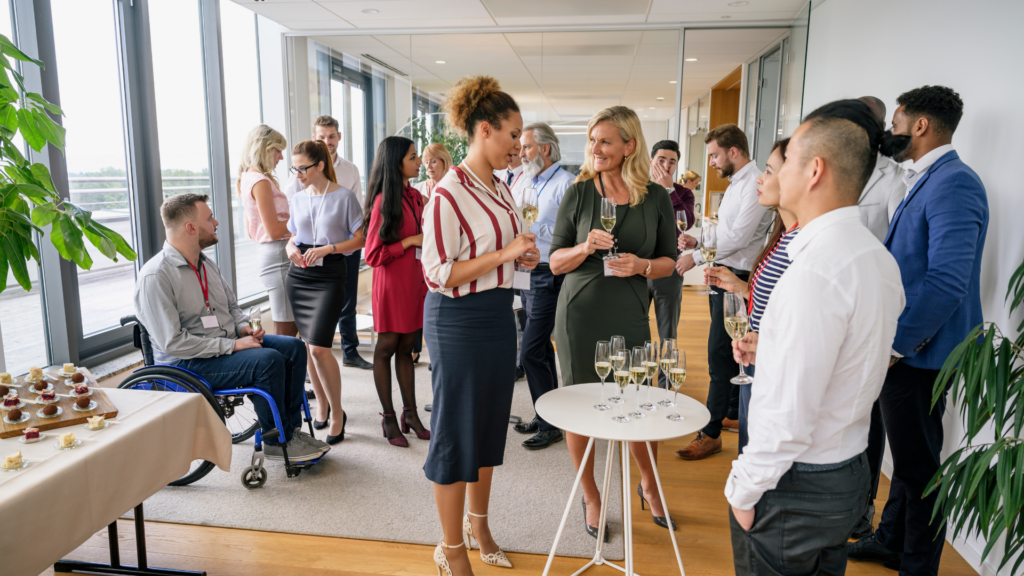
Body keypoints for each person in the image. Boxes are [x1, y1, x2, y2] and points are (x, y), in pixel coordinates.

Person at [726, 99, 906, 576]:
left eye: (786, 164)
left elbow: (788, 414)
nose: (775, 175)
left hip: (796, 482)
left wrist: (744, 489)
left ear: (814, 171)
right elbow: (850, 356)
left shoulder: (813, 270)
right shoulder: (875, 256)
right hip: (848, 468)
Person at [849, 86, 989, 576]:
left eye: (899, 120)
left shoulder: (955, 183)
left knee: (919, 468)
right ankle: (890, 542)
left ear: (922, 125)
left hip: (923, 353)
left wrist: (897, 345)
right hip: (909, 350)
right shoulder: (926, 179)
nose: (892, 130)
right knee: (905, 459)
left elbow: (947, 282)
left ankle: (917, 566)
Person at [421, 75, 538, 576]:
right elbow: (438, 272)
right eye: (513, 134)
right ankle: (450, 549)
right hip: (457, 320)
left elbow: (497, 257)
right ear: (485, 130)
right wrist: (505, 254)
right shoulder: (447, 194)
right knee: (455, 433)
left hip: (496, 314)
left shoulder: (500, 186)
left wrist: (518, 261)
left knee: (490, 426)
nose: (518, 144)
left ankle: (479, 524)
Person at [550, 105, 678, 539]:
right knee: (580, 407)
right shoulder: (579, 191)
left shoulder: (656, 197)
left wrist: (642, 265)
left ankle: (650, 484)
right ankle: (591, 495)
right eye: (592, 140)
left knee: (639, 402)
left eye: (605, 141)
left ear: (629, 145)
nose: (595, 148)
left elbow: (669, 263)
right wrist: (586, 247)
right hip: (579, 314)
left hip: (629, 312)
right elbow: (554, 262)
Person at [134, 193, 327, 462]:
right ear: (190, 228)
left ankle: (290, 432)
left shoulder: (206, 264)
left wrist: (243, 328)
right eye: (209, 218)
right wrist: (233, 345)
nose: (216, 222)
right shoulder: (156, 276)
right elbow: (172, 343)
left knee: (293, 347)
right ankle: (276, 438)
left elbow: (232, 308)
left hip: (224, 348)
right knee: (268, 361)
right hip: (187, 363)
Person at [674, 124, 773, 460]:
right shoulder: (736, 184)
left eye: (715, 155)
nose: (712, 162)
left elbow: (738, 239)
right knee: (730, 349)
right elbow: (724, 231)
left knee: (720, 352)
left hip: (739, 275)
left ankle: (711, 431)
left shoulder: (753, 185)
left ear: (734, 151)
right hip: (726, 272)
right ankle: (731, 413)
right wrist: (699, 239)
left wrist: (696, 256)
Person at [705, 139, 796, 454]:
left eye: (769, 171)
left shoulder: (803, 243)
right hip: (760, 361)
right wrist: (741, 287)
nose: (761, 177)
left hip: (775, 373)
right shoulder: (783, 233)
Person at [850, 94, 908, 540]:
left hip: (870, 313)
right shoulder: (840, 168)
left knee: (867, 418)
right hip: (836, 305)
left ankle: (861, 506)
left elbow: (897, 259)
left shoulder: (894, 182)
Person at [285, 140, 365, 445]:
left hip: (331, 273)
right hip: (300, 276)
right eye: (295, 168)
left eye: (302, 168)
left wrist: (328, 249)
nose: (298, 174)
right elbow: (292, 236)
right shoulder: (296, 197)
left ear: (319, 165)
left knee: (319, 347)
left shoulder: (344, 197)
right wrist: (291, 247)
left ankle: (337, 413)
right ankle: (321, 403)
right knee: (306, 346)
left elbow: (360, 240)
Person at [286, 115, 372, 370]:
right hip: (306, 263)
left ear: (338, 137)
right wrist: (292, 246)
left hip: (339, 249)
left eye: (331, 136)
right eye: (322, 137)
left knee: (348, 301)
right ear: (315, 138)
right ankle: (320, 385)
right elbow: (296, 224)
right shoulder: (298, 182)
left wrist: (332, 246)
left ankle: (349, 349)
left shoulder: (349, 174)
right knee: (312, 341)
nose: (328, 141)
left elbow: (357, 220)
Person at [509, 122, 574, 451]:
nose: (520, 153)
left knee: (530, 350)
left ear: (545, 149)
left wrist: (536, 237)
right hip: (527, 275)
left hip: (551, 275)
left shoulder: (567, 185)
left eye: (526, 147)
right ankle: (547, 414)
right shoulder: (525, 180)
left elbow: (570, 237)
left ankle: (550, 424)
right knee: (542, 350)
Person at [362, 136, 430, 447]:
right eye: (414, 157)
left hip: (415, 282)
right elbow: (373, 255)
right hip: (391, 284)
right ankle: (388, 417)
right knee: (386, 347)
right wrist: (409, 242)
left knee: (407, 348)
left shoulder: (416, 196)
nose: (419, 162)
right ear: (397, 163)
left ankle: (411, 414)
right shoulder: (382, 202)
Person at [237, 125, 297, 337]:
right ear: (264, 148)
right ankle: (284, 371)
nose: (281, 157)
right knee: (286, 328)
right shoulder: (260, 181)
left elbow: (252, 230)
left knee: (290, 324)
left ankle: (292, 370)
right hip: (278, 254)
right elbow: (272, 231)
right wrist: (302, 220)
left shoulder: (246, 178)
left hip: (274, 254)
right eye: (277, 150)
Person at [647, 140, 695, 389]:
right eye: (661, 160)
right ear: (651, 161)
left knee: (668, 333)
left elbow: (685, 221)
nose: (666, 165)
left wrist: (668, 190)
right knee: (638, 330)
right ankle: (640, 380)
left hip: (669, 269)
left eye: (672, 161)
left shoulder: (683, 193)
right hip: (639, 268)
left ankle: (664, 388)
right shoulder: (639, 189)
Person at [856, 96, 907, 242]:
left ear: (882, 126)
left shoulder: (898, 180)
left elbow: (898, 242)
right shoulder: (827, 171)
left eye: (867, 118)